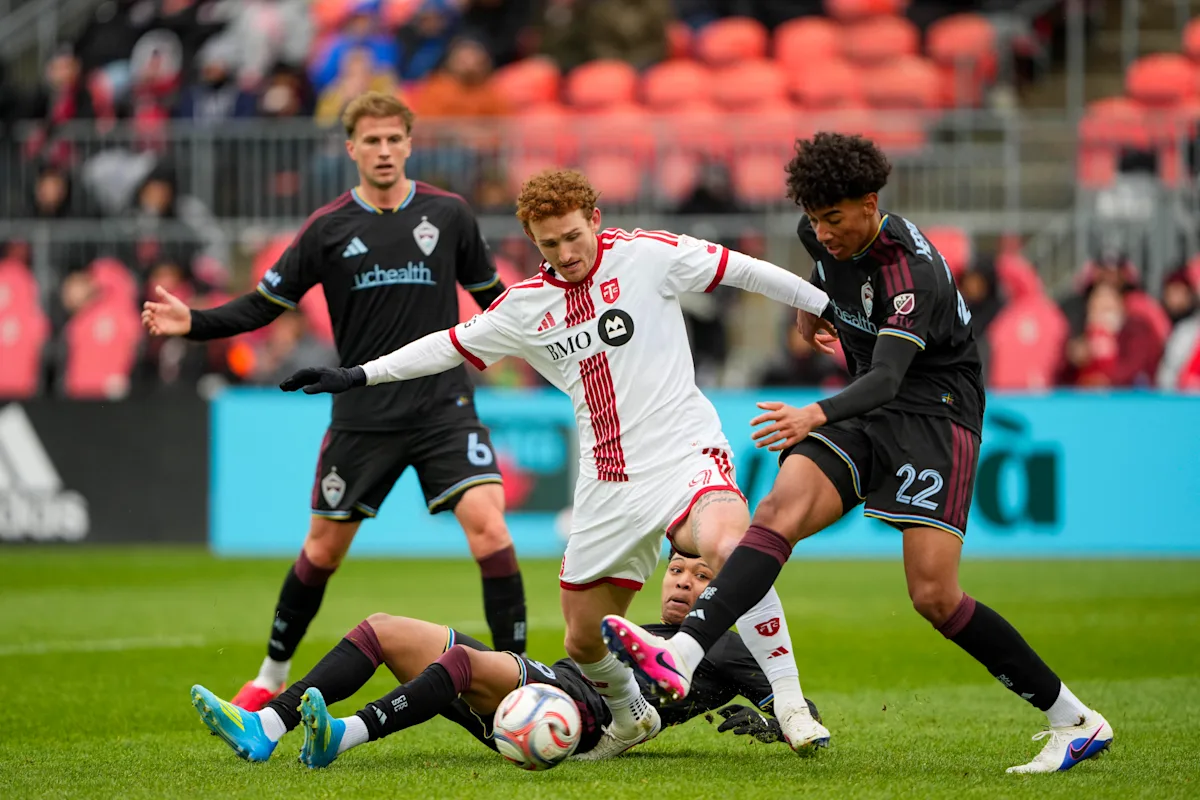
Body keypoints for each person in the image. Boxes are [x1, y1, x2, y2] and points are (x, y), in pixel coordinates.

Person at [602, 133, 1114, 775]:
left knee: (934, 596)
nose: (823, 233)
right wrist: (808, 306)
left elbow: (891, 378)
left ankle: (1074, 720)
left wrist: (814, 413)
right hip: (867, 409)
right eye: (814, 219)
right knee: (776, 513)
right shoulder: (821, 234)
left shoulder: (911, 273)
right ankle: (682, 654)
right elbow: (828, 279)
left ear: (871, 203)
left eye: (835, 219)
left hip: (936, 415)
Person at [278, 168, 833, 758]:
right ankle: (631, 717)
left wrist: (824, 305)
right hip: (607, 484)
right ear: (532, 242)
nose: (566, 253)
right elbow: (446, 345)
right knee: (582, 639)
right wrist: (358, 375)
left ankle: (791, 704)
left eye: (573, 236)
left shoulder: (647, 256)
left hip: (684, 456)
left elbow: (743, 269)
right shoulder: (525, 307)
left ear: (595, 219)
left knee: (730, 545)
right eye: (550, 244)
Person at [140, 91, 528, 711]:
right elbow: (265, 304)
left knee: (490, 529)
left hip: (443, 408)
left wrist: (557, 341)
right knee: (322, 550)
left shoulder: (449, 214)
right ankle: (270, 675)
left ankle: (521, 677)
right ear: (351, 148)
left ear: (410, 143)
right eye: (372, 140)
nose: (384, 150)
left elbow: (497, 302)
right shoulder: (328, 228)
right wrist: (196, 322)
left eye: (394, 139)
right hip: (363, 417)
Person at [188, 551, 821, 765]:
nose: (683, 581)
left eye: (702, 576)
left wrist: (773, 721)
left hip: (578, 717)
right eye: (677, 569)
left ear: (722, 592)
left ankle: (343, 736)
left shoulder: (728, 645)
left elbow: (798, 708)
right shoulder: (647, 628)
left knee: (463, 662)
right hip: (547, 692)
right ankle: (269, 722)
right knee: (382, 630)